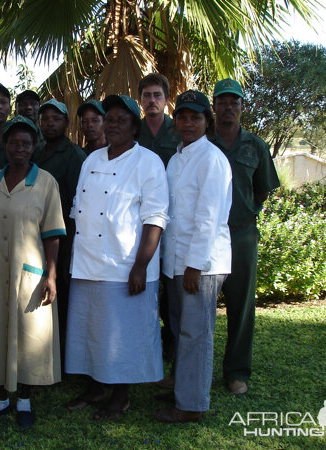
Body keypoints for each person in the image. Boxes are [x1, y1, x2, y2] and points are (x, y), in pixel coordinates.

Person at [65, 95, 169, 420]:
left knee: (123, 334)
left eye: (120, 120)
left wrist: (141, 266)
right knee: (91, 330)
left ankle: (120, 395)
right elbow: (77, 209)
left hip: (125, 266)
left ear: (134, 127)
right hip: (87, 262)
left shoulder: (148, 162)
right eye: (108, 119)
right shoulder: (91, 159)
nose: (112, 125)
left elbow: (155, 218)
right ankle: (96, 386)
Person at [0, 115, 66, 428]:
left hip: (31, 275)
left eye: (26, 143)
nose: (20, 148)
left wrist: (51, 274)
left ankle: (24, 400)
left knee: (28, 335)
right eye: (14, 142)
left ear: (33, 146)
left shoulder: (45, 183)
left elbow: (52, 233)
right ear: (7, 146)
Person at [155, 90, 232, 423]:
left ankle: (191, 404)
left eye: (195, 117)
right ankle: (183, 382)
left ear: (207, 122)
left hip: (201, 264)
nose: (188, 123)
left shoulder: (212, 159)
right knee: (179, 327)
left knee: (195, 333)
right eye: (182, 117)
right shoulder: (176, 158)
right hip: (176, 262)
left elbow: (208, 218)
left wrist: (193, 266)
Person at [210, 79, 280, 395]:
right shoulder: (201, 142)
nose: (228, 107)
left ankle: (236, 372)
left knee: (241, 307)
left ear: (242, 107)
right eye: (222, 102)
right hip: (207, 238)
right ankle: (194, 369)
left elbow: (263, 189)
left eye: (233, 102)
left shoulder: (256, 146)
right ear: (213, 106)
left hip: (241, 237)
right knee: (199, 308)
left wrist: (244, 212)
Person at [33, 98, 86, 366]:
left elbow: (80, 205)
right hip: (35, 237)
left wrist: (70, 253)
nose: (49, 123)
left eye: (56, 118)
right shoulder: (37, 151)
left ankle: (63, 361)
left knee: (62, 300)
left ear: (66, 122)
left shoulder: (75, 156)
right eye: (45, 118)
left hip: (64, 238)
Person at [137, 73, 180, 365]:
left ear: (166, 100)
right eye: (147, 96)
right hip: (140, 224)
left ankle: (172, 349)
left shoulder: (179, 131)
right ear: (140, 100)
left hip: (175, 223)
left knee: (172, 295)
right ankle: (142, 346)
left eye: (157, 95)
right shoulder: (132, 131)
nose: (151, 101)